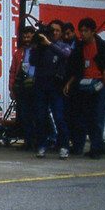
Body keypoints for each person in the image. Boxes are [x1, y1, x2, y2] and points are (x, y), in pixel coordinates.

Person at [63, 17, 105, 159]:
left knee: (97, 117)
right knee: (88, 118)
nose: (83, 34)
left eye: (86, 31)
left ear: (92, 31)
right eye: (81, 31)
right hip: (85, 86)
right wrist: (69, 83)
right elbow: (75, 68)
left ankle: (96, 148)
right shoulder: (79, 48)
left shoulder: (103, 46)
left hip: (100, 85)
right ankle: (98, 146)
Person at [29, 20, 71, 158]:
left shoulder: (63, 46)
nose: (54, 33)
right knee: (40, 117)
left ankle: (64, 145)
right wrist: (37, 46)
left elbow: (66, 55)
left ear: (61, 33)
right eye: (52, 30)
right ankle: (42, 145)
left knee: (59, 116)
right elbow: (33, 61)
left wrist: (49, 44)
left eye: (57, 30)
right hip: (41, 83)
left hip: (55, 84)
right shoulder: (42, 47)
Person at [8, 26, 37, 148]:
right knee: (24, 115)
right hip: (22, 88)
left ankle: (41, 140)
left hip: (36, 87)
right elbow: (13, 71)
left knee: (37, 115)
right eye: (24, 37)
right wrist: (12, 88)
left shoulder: (39, 50)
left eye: (29, 36)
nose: (26, 39)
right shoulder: (18, 53)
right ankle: (28, 141)